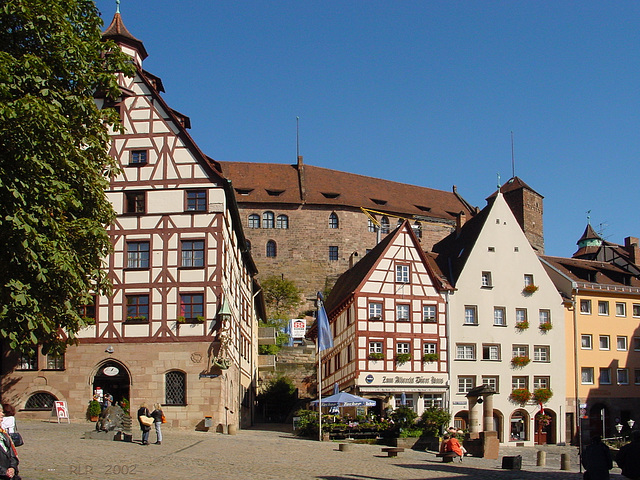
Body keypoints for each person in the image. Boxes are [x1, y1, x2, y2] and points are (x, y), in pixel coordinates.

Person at [0, 405, 20, 480]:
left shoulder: (3, 434)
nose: (2, 420)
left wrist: (12, 468)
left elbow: (12, 454)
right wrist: (4, 472)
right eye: (1, 417)